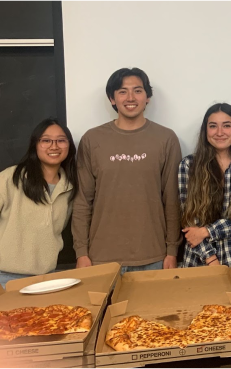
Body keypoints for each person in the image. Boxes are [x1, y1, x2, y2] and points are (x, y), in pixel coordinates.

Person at [72, 68, 182, 274]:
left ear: (147, 97)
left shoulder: (166, 139)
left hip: (154, 256)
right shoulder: (92, 139)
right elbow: (82, 201)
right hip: (100, 258)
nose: (130, 97)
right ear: (112, 99)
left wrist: (172, 250)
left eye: (138, 91)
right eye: (122, 92)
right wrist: (81, 252)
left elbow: (172, 199)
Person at [0, 119, 78, 292]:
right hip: (1, 279)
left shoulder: (69, 188)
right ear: (35, 145)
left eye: (61, 140)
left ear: (69, 146)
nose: (54, 146)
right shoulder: (9, 179)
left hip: (45, 280)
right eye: (46, 140)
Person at [178, 103, 231, 271]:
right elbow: (189, 220)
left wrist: (207, 231)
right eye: (213, 126)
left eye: (226, 125)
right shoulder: (188, 166)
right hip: (198, 261)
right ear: (205, 131)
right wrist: (211, 259)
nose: (219, 132)